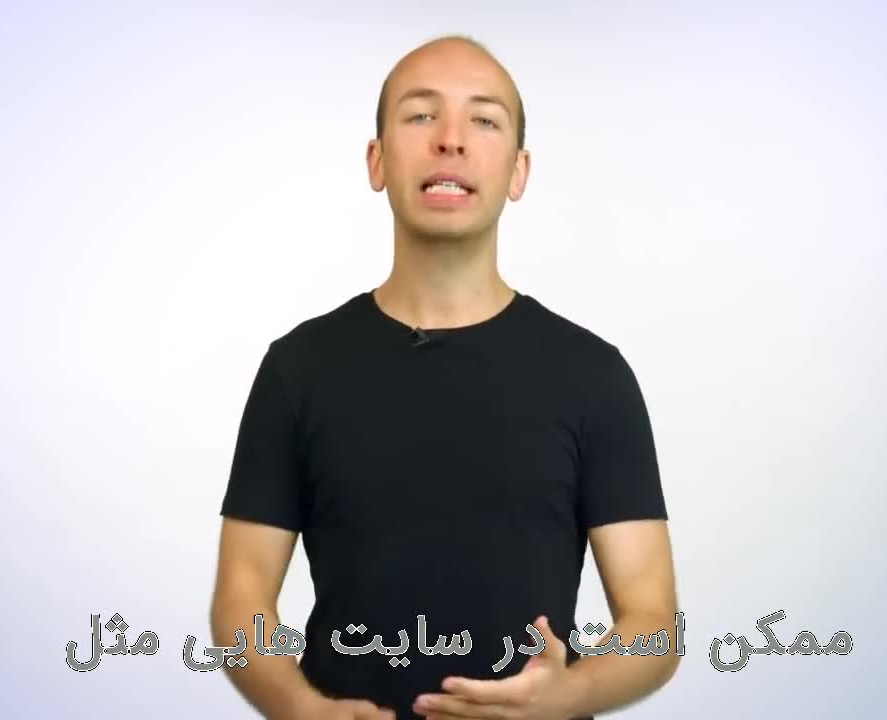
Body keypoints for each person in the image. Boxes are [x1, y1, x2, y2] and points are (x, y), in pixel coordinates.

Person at [210, 35, 680, 719]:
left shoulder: (594, 376)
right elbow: (240, 598)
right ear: (377, 160)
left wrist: (568, 695)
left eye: (484, 119)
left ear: (518, 171)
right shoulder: (298, 368)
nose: (451, 139)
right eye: (421, 115)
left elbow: (654, 622)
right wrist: (301, 709)